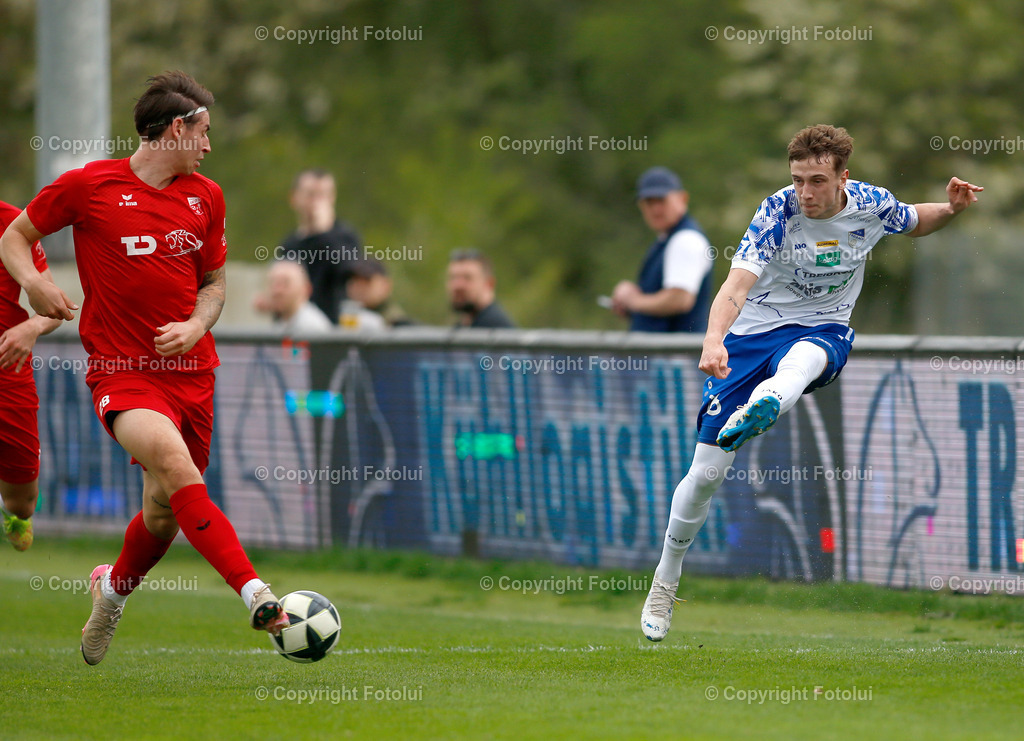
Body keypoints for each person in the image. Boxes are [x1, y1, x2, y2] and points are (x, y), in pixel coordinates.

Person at [639, 124, 982, 641]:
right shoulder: (776, 212)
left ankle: (769, 400)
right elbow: (735, 285)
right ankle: (665, 580)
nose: (805, 192)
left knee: (803, 359)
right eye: (798, 179)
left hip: (824, 329)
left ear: (844, 177)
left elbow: (915, 219)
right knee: (706, 474)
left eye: (817, 181)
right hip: (753, 335)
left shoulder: (870, 204)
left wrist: (952, 209)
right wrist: (713, 340)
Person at [0, 70, 291, 665]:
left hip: (194, 375)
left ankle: (110, 592)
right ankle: (257, 594)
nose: (208, 145)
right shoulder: (88, 186)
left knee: (162, 514)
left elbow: (214, 284)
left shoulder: (207, 197)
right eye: (203, 132)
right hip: (122, 373)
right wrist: (33, 283)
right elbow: (15, 235)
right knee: (177, 468)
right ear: (176, 129)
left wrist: (197, 325)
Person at [0, 201, 62, 551]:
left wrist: (31, 327)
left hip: (7, 367)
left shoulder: (13, 223)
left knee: (22, 501)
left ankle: (15, 513)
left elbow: (54, 308)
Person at [611, 167, 714, 332]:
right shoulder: (668, 239)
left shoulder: (686, 239)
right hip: (668, 347)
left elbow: (680, 299)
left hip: (677, 348)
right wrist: (633, 304)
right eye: (648, 202)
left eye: (661, 200)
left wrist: (633, 301)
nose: (655, 209)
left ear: (682, 198)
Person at [279, 168, 361, 322]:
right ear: (294, 198)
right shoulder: (290, 243)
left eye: (324, 195)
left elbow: (350, 273)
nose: (317, 202)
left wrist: (325, 234)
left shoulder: (345, 236)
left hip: (337, 327)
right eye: (311, 195)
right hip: (299, 328)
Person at [261, 260, 335, 335]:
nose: (277, 291)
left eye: (285, 283)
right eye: (273, 283)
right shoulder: (284, 322)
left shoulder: (312, 328)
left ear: (305, 289)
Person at [447, 248, 515, 328]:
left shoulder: (497, 329)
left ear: (489, 284)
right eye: (453, 277)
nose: (458, 285)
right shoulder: (464, 326)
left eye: (467, 278)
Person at [344, 258, 415, 327]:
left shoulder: (400, 325)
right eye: (354, 280)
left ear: (385, 285)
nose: (359, 287)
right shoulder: (344, 318)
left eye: (366, 280)